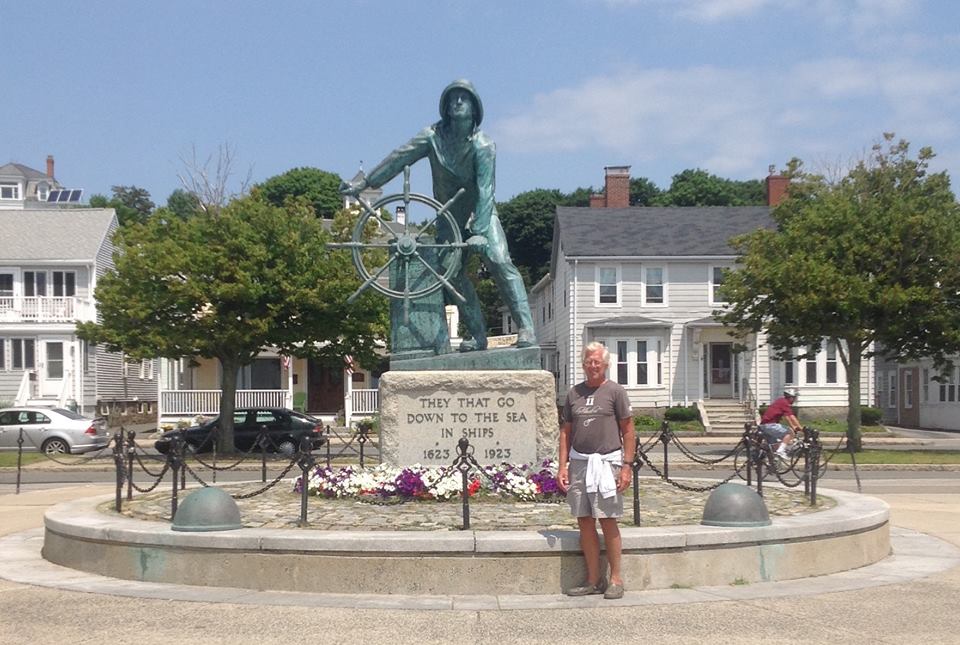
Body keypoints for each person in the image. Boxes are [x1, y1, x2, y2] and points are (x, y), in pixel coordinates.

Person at [339, 79, 536, 352]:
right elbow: (399, 158)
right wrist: (366, 183)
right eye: (453, 98)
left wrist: (479, 231)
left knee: (500, 261)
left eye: (464, 98)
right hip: (448, 218)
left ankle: (526, 328)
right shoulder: (432, 137)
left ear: (475, 108)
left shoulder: (483, 145)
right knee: (450, 274)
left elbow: (485, 190)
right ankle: (478, 335)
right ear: (445, 107)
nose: (458, 102)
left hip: (480, 213)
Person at [556, 341, 636, 600]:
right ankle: (593, 579)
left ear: (605, 364)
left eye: (597, 362)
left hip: (606, 464)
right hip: (580, 463)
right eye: (589, 362)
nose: (593, 366)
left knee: (607, 519)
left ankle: (616, 578)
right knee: (584, 520)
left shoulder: (615, 392)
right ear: (583, 364)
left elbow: (628, 431)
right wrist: (562, 466)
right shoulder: (574, 394)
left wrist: (626, 466)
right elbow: (566, 432)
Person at [760, 390, 802, 459]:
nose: (794, 400)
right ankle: (780, 451)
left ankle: (772, 462)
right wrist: (800, 428)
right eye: (794, 398)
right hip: (770, 425)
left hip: (764, 425)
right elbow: (791, 416)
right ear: (790, 397)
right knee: (789, 432)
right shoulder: (785, 403)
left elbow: (787, 417)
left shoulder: (781, 401)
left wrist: (793, 426)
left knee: (774, 446)